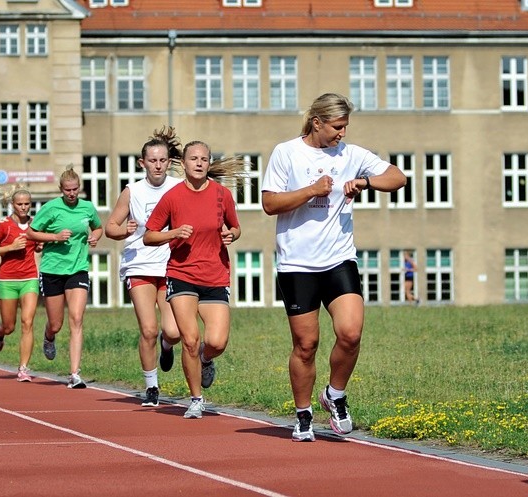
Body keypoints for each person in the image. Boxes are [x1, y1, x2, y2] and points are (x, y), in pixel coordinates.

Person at [261, 92, 407, 442]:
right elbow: (269, 203)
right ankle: (303, 414)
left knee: (351, 333)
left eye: (345, 126)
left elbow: (398, 178)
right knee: (306, 345)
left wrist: (365, 182)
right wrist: (311, 190)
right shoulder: (287, 152)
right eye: (337, 126)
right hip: (297, 263)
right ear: (317, 123)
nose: (342, 132)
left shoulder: (351, 154)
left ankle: (335, 395)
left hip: (339, 258)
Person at [143, 141, 244, 419]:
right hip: (181, 274)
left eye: (204, 159)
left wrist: (231, 235)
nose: (199, 163)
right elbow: (149, 235)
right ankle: (196, 398)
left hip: (214, 274)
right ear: (183, 164)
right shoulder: (172, 197)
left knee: (217, 341)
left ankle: (206, 358)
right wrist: (173, 233)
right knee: (190, 339)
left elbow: (235, 227)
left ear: (209, 163)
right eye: (193, 159)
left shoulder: (222, 194)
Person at [105, 126, 183, 407]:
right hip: (139, 265)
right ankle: (151, 385)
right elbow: (109, 228)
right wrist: (124, 230)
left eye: (163, 160)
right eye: (153, 160)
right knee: (149, 329)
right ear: (143, 163)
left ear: (170, 162)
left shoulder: (178, 188)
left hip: (170, 264)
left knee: (172, 332)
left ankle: (166, 347)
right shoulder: (133, 191)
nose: (158, 165)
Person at [27, 167, 103, 389]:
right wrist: (55, 237)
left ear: (80, 188)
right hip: (52, 270)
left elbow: (98, 228)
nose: (72, 193)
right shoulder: (51, 208)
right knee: (57, 323)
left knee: (77, 319)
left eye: (75, 189)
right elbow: (31, 233)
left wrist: (94, 237)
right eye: (68, 190)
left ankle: (74, 374)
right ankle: (49, 336)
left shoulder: (87, 208)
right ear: (61, 190)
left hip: (78, 269)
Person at [0, 184, 42, 382]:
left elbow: (38, 246)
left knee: (28, 322)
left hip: (29, 278)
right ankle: (0, 331)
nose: (24, 207)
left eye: (27, 204)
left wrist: (40, 245)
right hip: (7, 279)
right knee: (10, 326)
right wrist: (10, 247)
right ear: (12, 204)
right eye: (20, 204)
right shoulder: (3, 225)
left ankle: (23, 368)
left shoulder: (36, 224)